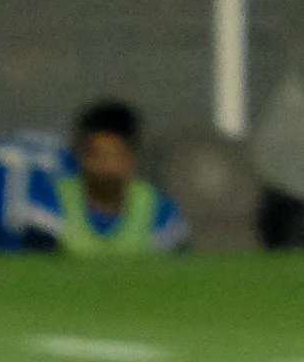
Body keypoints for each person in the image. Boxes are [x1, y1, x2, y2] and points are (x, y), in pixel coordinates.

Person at [23, 98, 187, 258]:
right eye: (97, 156)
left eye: (115, 156)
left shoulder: (158, 210)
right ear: (79, 155)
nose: (106, 167)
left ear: (133, 157)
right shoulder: (51, 200)